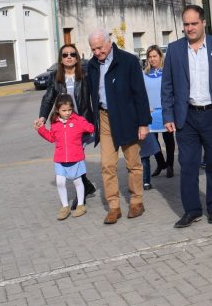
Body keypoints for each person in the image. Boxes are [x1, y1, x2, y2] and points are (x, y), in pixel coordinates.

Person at [161, 5, 212, 228]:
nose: (190, 28)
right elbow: (167, 85)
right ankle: (192, 210)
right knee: (188, 165)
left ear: (203, 23)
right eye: (186, 24)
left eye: (194, 23)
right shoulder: (174, 50)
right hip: (186, 117)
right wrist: (168, 115)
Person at [87, 29, 152, 225]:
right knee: (107, 165)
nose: (97, 52)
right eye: (93, 49)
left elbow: (140, 93)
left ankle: (137, 202)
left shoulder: (128, 61)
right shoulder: (91, 65)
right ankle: (114, 207)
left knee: (133, 163)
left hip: (128, 118)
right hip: (105, 118)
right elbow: (90, 94)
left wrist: (143, 123)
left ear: (109, 43)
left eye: (99, 48)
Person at [34, 44, 96, 203]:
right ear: (60, 59)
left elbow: (95, 96)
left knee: (76, 157)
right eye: (65, 54)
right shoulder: (55, 76)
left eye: (72, 54)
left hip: (81, 123)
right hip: (64, 125)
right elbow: (48, 98)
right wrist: (42, 117)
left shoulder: (86, 74)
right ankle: (86, 186)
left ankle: (82, 192)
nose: (69, 57)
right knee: (75, 157)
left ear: (77, 58)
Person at [36, 94, 95, 220]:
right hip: (60, 159)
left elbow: (91, 128)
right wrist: (41, 129)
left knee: (78, 181)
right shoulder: (55, 123)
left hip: (76, 158)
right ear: (57, 110)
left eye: (69, 110)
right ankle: (65, 206)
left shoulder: (78, 120)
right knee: (60, 182)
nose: (67, 113)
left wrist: (88, 126)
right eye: (64, 110)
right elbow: (51, 138)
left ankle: (80, 205)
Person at [142, 45, 175, 178]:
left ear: (161, 56)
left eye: (155, 56)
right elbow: (141, 93)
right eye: (150, 57)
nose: (152, 59)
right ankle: (161, 163)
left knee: (168, 139)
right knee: (152, 141)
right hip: (150, 112)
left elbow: (172, 91)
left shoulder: (168, 72)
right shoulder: (144, 74)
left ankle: (170, 165)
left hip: (165, 111)